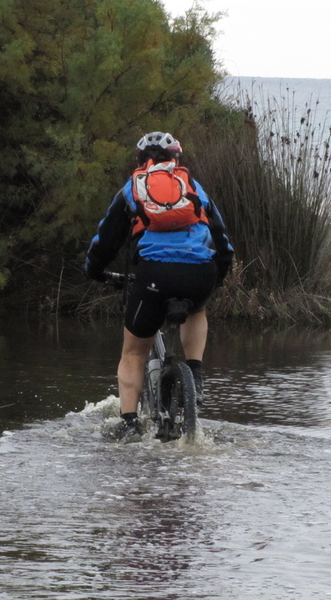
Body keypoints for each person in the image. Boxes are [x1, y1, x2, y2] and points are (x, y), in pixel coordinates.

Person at [84, 131, 234, 442]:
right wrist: (214, 280)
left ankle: (128, 425)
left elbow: (106, 239)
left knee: (133, 353)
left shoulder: (133, 189)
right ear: (177, 159)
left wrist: (95, 270)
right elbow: (222, 240)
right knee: (198, 308)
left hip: (154, 275)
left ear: (140, 161)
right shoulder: (194, 188)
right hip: (199, 272)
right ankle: (194, 370)